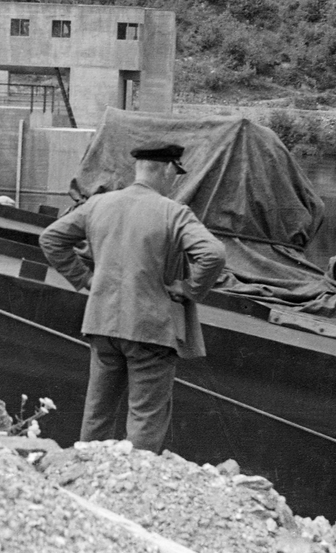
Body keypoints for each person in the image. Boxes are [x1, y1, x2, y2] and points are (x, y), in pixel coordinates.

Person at [39, 143, 226, 452]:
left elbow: (51, 238)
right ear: (167, 169)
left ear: (139, 168)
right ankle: (133, 489)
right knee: (145, 418)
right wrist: (189, 289)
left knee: (97, 413)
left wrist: (85, 279)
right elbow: (213, 253)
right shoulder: (173, 212)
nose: (174, 181)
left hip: (101, 324)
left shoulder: (98, 204)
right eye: (175, 174)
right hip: (150, 329)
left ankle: (85, 478)